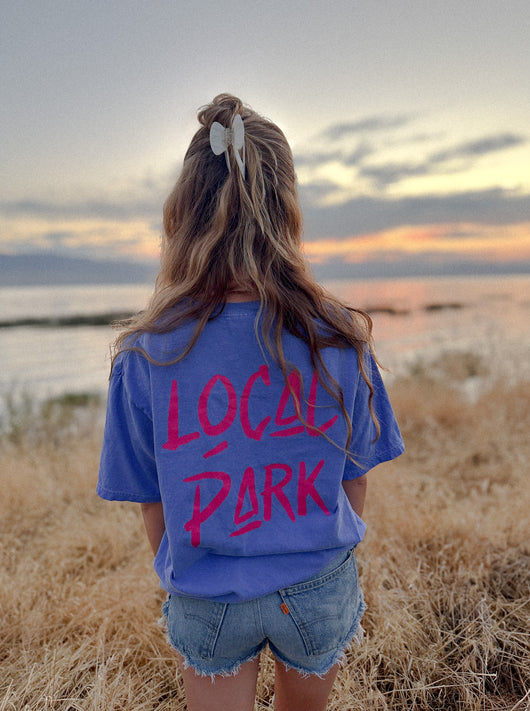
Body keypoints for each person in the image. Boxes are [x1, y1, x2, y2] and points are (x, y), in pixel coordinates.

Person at [97, 94, 404, 711]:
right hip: (318, 581)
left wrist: (184, 569)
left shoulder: (147, 352)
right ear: (286, 207)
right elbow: (355, 477)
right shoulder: (337, 335)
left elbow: (151, 499)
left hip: (208, 591)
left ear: (182, 212)